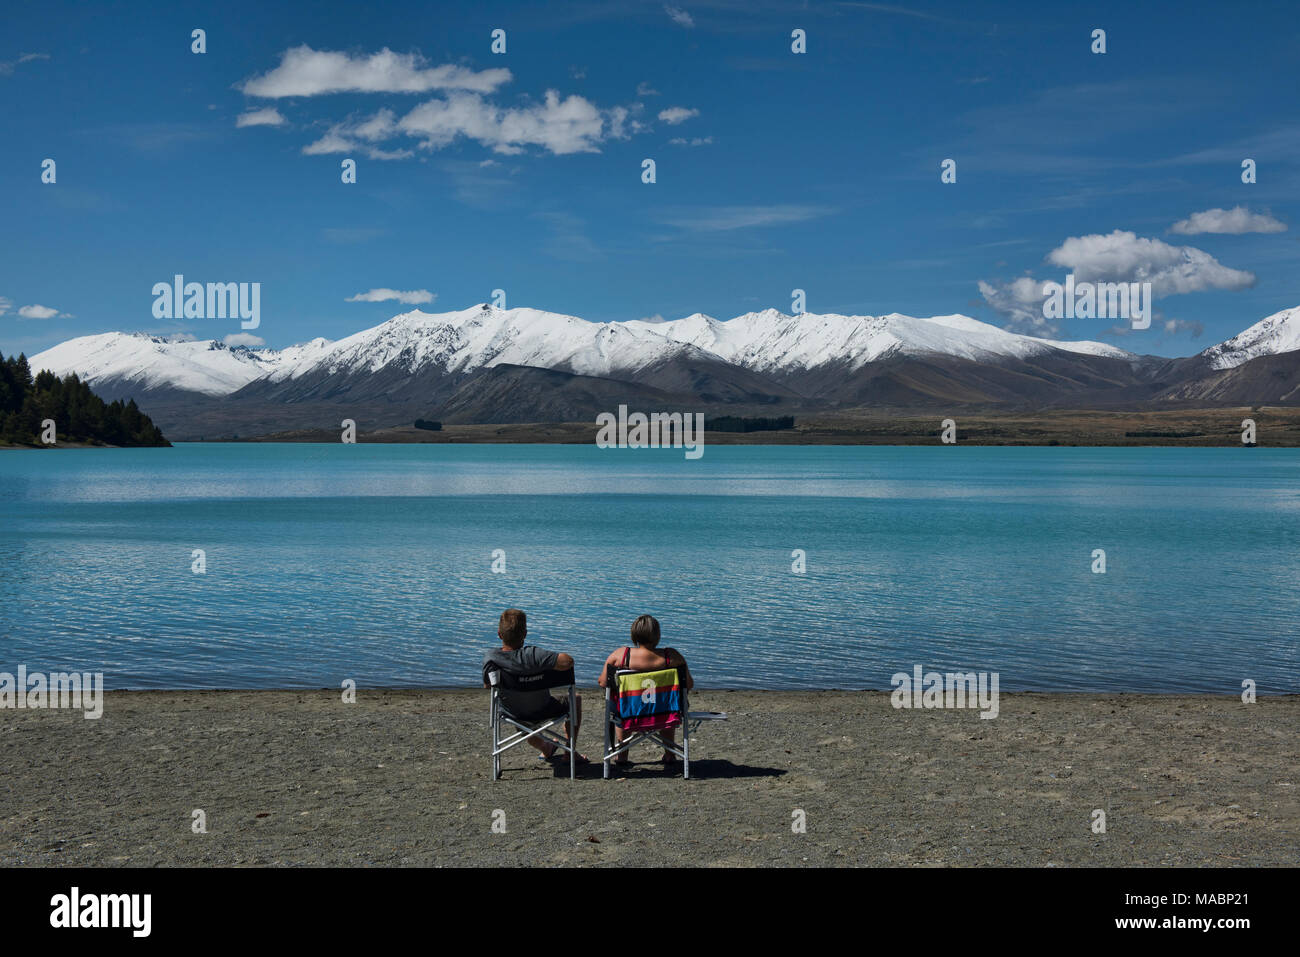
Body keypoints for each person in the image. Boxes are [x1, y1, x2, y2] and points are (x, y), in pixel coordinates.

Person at [483, 608, 586, 763]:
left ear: (499, 634)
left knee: (520, 709)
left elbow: (488, 685)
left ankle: (546, 748)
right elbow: (568, 661)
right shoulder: (534, 655)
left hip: (512, 713)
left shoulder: (491, 658)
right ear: (525, 634)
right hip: (543, 708)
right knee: (575, 699)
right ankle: (569, 752)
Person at [597, 614, 693, 767]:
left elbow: (602, 682)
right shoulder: (672, 656)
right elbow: (688, 684)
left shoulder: (621, 656)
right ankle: (669, 754)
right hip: (665, 712)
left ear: (634, 634)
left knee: (624, 702)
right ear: (657, 635)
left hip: (629, 712)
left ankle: (622, 756)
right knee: (668, 702)